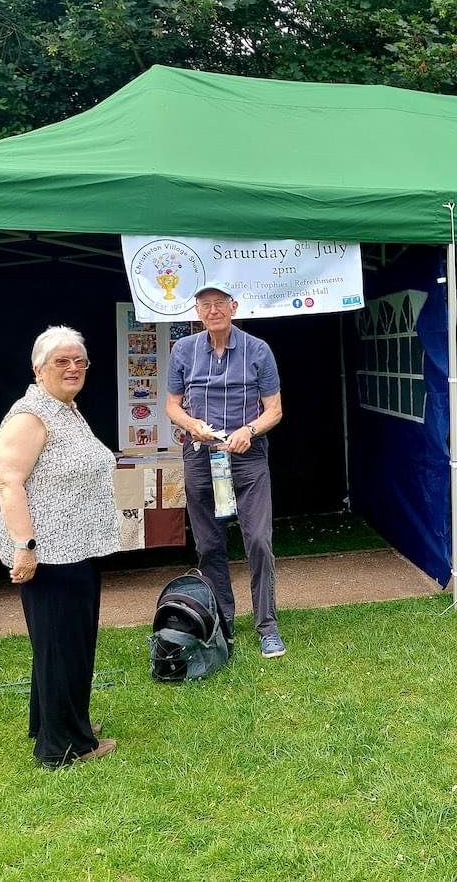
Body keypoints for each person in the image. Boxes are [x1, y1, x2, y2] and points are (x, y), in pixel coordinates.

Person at [0, 325, 120, 766]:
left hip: (75, 546)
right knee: (62, 645)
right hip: (48, 552)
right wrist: (24, 546)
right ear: (38, 368)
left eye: (79, 361)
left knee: (62, 643)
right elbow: (8, 481)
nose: (72, 368)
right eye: (61, 361)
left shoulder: (65, 408)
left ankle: (55, 721)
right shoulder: (31, 416)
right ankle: (63, 747)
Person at [165, 281, 286, 658]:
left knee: (259, 541)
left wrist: (249, 431)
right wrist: (191, 424)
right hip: (200, 453)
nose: (213, 310)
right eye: (205, 305)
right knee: (209, 544)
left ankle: (267, 626)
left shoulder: (258, 350)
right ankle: (224, 623)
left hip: (247, 455)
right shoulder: (183, 350)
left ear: (234, 307)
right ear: (197, 312)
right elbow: (171, 405)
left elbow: (275, 410)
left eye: (219, 303)